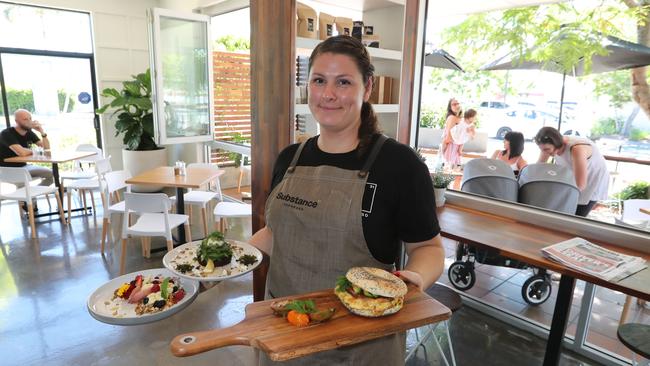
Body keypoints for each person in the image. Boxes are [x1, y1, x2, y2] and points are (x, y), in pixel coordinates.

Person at [249, 35, 445, 366]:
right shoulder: (289, 158)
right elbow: (277, 232)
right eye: (319, 80)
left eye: (343, 82)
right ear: (307, 86)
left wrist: (416, 278)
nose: (328, 94)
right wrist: (229, 260)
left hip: (360, 341)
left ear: (367, 88)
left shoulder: (399, 164)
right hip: (284, 330)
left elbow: (428, 249)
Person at [534, 127, 609, 217]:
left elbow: (580, 185)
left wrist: (559, 195)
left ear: (556, 144)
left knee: (576, 215)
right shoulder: (547, 146)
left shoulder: (577, 149)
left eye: (546, 149)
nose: (544, 152)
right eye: (541, 149)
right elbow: (538, 167)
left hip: (593, 178)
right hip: (574, 175)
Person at [0, 109, 53, 211]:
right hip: (7, 171)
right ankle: (29, 199)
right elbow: (22, 153)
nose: (29, 121)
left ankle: (31, 196)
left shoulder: (29, 132)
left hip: (23, 168)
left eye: (30, 118)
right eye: (25, 119)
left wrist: (42, 132)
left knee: (51, 174)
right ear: (17, 121)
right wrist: (35, 150)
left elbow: (46, 150)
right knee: (23, 183)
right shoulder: (6, 133)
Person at [441, 98, 463, 168]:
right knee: (450, 173)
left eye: (458, 103)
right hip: (450, 148)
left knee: (452, 174)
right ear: (450, 107)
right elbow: (449, 138)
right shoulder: (452, 118)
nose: (456, 106)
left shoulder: (459, 118)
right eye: (454, 104)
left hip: (455, 149)